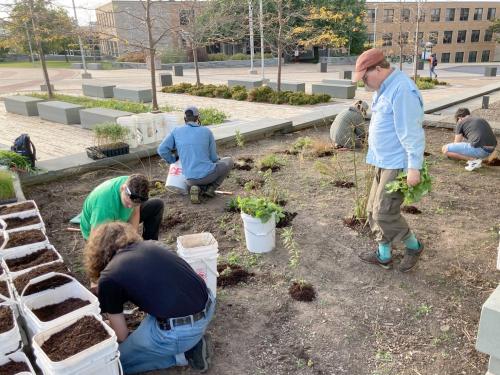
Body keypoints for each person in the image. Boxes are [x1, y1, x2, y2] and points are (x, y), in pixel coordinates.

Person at [84, 222, 215, 374]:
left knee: (114, 363)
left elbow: (121, 336)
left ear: (97, 253)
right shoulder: (152, 245)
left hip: (180, 330)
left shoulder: (109, 276)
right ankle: (188, 345)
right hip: (207, 305)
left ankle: (186, 353)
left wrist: (108, 324)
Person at [353, 48, 426, 272]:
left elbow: (411, 132)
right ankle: (384, 254)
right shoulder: (384, 88)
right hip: (383, 160)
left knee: (384, 212)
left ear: (378, 68)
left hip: (397, 163)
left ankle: (413, 246)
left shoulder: (402, 90)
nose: (364, 83)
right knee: (371, 210)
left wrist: (414, 167)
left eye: (365, 77)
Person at [157, 106, 234, 204]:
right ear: (197, 118)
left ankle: (197, 188)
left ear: (185, 119)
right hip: (208, 176)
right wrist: (217, 162)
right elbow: (213, 158)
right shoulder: (206, 131)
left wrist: (172, 160)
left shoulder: (176, 131)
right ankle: (211, 188)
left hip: (189, 179)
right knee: (228, 161)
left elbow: (161, 150)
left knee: (197, 178)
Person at [80, 174, 164, 241]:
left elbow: (135, 213)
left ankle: (149, 245)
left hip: (120, 221)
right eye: (127, 203)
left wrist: (133, 237)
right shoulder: (104, 205)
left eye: (134, 205)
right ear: (122, 189)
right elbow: (96, 239)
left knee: (156, 204)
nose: (130, 207)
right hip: (100, 233)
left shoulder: (133, 185)